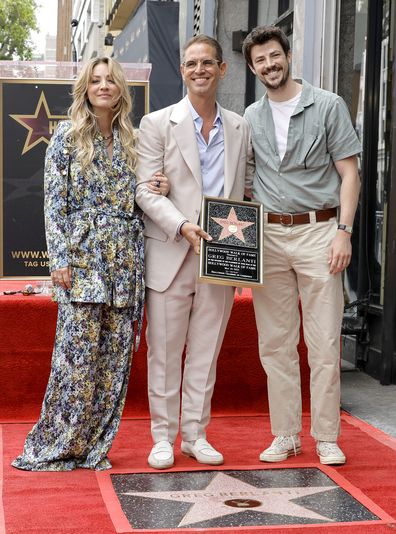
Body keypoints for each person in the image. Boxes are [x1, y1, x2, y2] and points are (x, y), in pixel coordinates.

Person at [12, 57, 168, 471]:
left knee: (114, 360)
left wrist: (158, 186)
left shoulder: (134, 139)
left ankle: (93, 447)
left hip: (125, 262)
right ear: (86, 88)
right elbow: (53, 203)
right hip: (82, 259)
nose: (103, 86)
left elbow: (142, 195)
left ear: (120, 88)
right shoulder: (67, 134)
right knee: (76, 360)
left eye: (110, 80)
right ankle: (59, 444)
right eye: (95, 80)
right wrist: (58, 259)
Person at [242, 26, 361, 465]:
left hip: (319, 232)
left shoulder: (328, 105)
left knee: (325, 340)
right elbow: (239, 179)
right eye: (260, 61)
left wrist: (343, 231)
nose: (269, 65)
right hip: (269, 236)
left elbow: (351, 174)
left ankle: (326, 436)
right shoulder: (250, 116)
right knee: (274, 343)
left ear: (287, 55)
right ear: (252, 68)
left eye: (274, 56)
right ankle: (286, 434)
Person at [136, 35, 253, 469]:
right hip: (171, 249)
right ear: (182, 71)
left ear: (223, 69)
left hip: (222, 253)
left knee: (206, 351)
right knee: (164, 351)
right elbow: (145, 191)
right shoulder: (155, 123)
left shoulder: (241, 126)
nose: (199, 69)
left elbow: (247, 187)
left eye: (208, 62)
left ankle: (195, 435)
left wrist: (247, 249)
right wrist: (181, 224)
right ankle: (163, 437)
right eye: (191, 63)